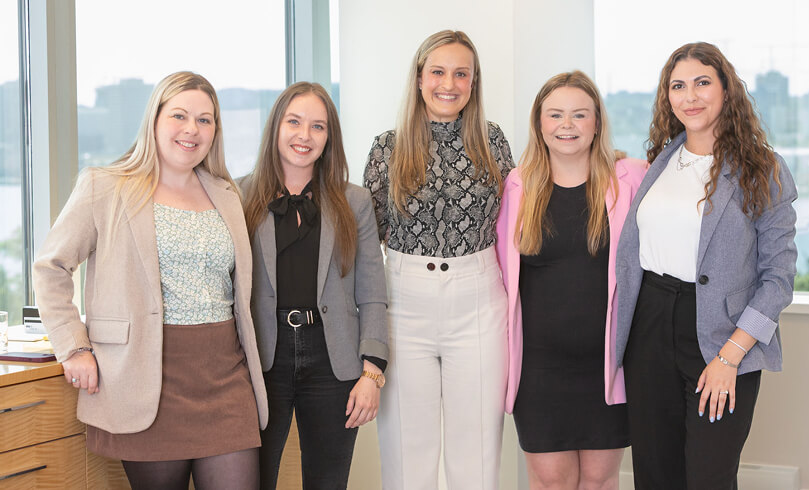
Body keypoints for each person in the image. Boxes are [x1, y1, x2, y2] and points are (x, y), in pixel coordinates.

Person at [32, 71, 267, 490]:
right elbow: (51, 267)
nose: (192, 129)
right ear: (155, 119)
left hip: (225, 376)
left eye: (205, 119)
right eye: (179, 115)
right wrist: (74, 348)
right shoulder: (105, 187)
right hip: (143, 378)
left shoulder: (227, 195)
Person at [615, 42, 797, 489]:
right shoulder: (659, 161)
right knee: (655, 474)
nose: (689, 96)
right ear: (666, 96)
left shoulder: (763, 169)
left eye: (702, 83)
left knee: (709, 477)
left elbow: (778, 280)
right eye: (678, 86)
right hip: (650, 325)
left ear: (726, 90)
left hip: (722, 335)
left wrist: (729, 357)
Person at [363, 29, 514, 490]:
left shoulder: (492, 140)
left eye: (461, 73)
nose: (449, 83)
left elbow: (516, 216)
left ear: (473, 82)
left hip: (479, 299)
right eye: (438, 71)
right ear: (419, 78)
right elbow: (370, 233)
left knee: (479, 449)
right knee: (408, 450)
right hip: (405, 302)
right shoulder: (387, 147)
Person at [495, 71, 647, 490]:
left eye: (579, 115)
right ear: (539, 123)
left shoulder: (630, 178)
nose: (567, 125)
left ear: (596, 122)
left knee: (600, 481)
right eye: (556, 114)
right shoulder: (517, 187)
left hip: (606, 368)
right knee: (550, 482)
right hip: (539, 372)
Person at [239, 82, 388, 490]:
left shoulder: (353, 201)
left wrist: (371, 372)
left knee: (328, 482)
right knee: (253, 480)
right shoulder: (239, 194)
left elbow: (373, 291)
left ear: (329, 137)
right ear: (276, 127)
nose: (305, 136)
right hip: (263, 359)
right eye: (294, 122)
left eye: (318, 126)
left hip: (333, 360)